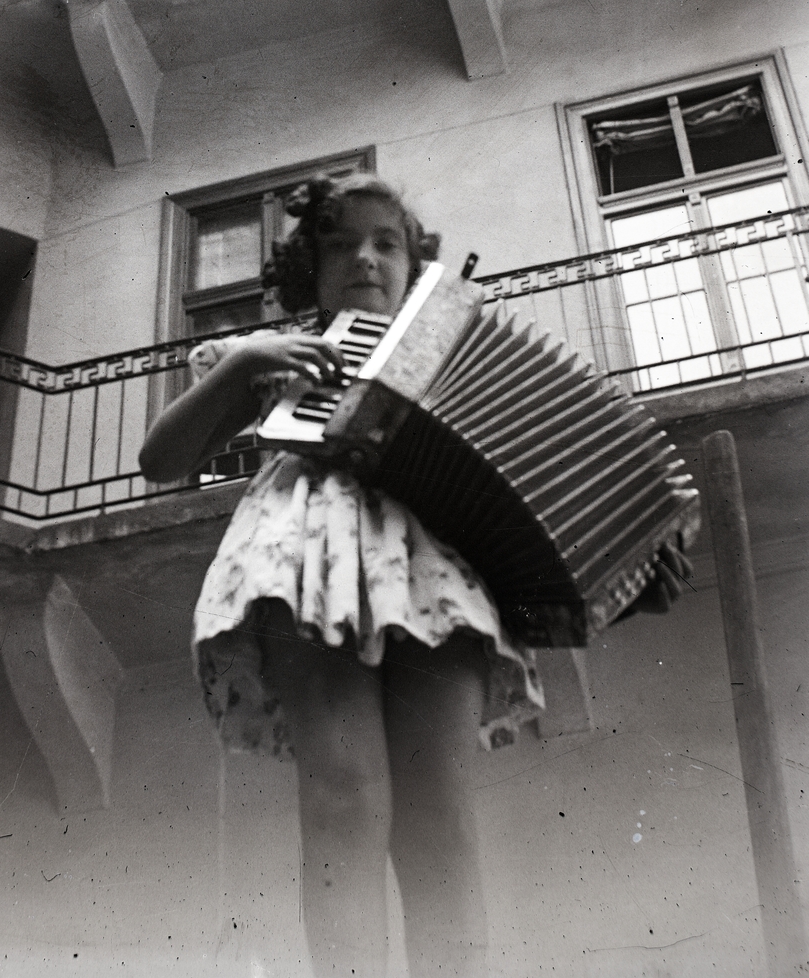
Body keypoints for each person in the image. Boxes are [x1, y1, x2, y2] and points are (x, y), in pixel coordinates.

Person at [139, 173, 692, 978]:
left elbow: (535, 505)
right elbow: (162, 460)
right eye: (339, 243)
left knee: (440, 817)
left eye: (385, 242)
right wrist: (242, 361)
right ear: (308, 269)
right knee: (345, 796)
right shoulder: (270, 358)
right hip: (308, 558)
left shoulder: (463, 359)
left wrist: (626, 564)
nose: (364, 258)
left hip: (433, 571)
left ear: (412, 262)